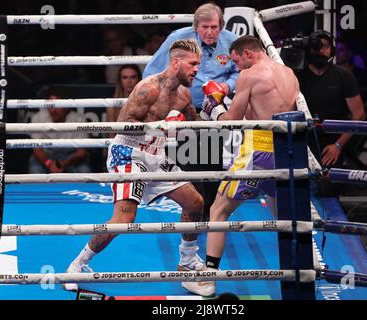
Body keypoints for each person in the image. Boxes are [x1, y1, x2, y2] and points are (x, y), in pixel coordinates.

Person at [64, 39, 211, 297]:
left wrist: (212, 112)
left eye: (198, 64)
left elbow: (194, 128)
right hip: (128, 152)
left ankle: (187, 261)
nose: (197, 69)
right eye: (193, 64)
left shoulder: (185, 95)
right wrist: (158, 126)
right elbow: (122, 125)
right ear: (176, 62)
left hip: (157, 154)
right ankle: (77, 265)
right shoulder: (148, 89)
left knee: (195, 203)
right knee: (124, 218)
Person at [198, 35, 300, 296]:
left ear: (247, 53)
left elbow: (232, 120)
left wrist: (214, 105)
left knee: (217, 212)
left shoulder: (250, 74)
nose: (237, 68)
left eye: (237, 61)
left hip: (259, 149)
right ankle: (300, 275)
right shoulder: (289, 73)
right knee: (284, 220)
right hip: (287, 151)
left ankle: (208, 279)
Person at [143, 2, 239, 222]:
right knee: (188, 162)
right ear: (196, 26)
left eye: (214, 27)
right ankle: (193, 215)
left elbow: (240, 71)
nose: (210, 32)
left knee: (214, 163)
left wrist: (226, 87)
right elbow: (152, 71)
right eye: (205, 27)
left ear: (221, 25)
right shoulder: (178, 39)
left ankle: (211, 214)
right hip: (184, 109)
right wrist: (165, 99)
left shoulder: (230, 40)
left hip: (215, 110)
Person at [297, 31, 365, 174]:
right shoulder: (296, 75)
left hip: (332, 142)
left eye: (325, 47)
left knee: (329, 189)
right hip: (302, 140)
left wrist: (338, 145)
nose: (321, 51)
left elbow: (359, 115)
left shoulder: (344, 75)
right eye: (316, 46)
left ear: (332, 49)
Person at [28, 89, 91, 174]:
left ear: (66, 107)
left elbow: (81, 152)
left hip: (71, 156)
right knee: (35, 172)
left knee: (84, 171)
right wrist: (49, 164)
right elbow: (37, 150)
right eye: (50, 106)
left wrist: (64, 164)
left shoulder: (79, 119)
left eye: (57, 106)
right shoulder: (37, 118)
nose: (53, 110)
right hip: (46, 155)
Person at [106, 64, 142, 138]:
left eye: (133, 77)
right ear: (120, 81)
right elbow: (111, 135)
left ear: (139, 79)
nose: (129, 81)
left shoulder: (147, 101)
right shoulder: (113, 105)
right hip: (120, 145)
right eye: (125, 77)